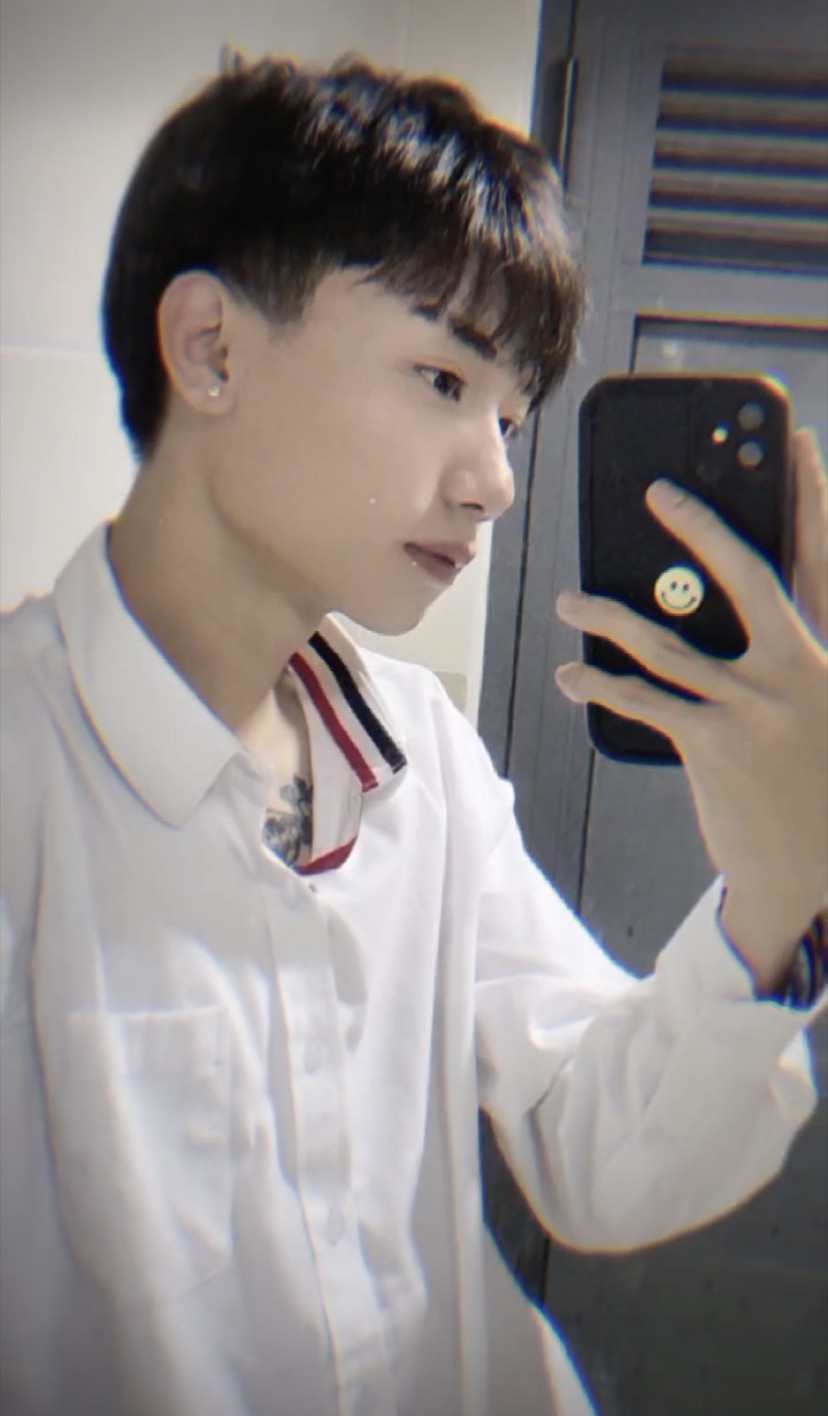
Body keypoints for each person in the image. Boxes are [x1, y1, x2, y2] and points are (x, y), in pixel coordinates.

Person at [0, 52, 825, 1416]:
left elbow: (599, 1153)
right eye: (443, 378)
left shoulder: (417, 755)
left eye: (509, 416)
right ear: (210, 349)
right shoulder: (25, 771)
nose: (495, 478)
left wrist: (779, 892)